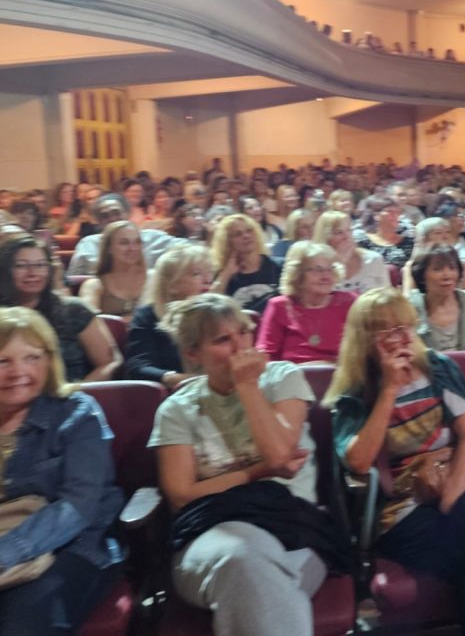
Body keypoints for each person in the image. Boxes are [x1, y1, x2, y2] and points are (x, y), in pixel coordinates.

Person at [327, 287, 465, 636]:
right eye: (387, 331)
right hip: (405, 510)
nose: (401, 338)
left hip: (463, 483)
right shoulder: (357, 391)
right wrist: (387, 390)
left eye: (405, 327)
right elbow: (358, 461)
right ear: (364, 339)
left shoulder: (437, 368)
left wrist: (448, 498)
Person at [149, 293, 333, 636]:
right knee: (242, 557)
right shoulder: (176, 410)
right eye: (223, 339)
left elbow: (279, 452)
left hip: (292, 528)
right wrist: (260, 472)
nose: (240, 347)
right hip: (208, 539)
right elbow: (181, 495)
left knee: (255, 577)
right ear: (193, 353)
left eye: (244, 333)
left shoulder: (282, 377)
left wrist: (247, 386)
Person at [0, 307, 124, 634]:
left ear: (49, 360)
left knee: (23, 624)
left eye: (32, 357)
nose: (18, 372)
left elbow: (78, 506)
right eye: (3, 361)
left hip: (67, 547)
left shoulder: (77, 413)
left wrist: (6, 552)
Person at [0, 236, 121, 382]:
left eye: (40, 265)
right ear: (6, 271)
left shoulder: (74, 310)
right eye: (21, 265)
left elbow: (110, 362)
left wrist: (75, 394)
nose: (32, 273)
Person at [126, 243, 212, 387]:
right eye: (196, 274)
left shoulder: (220, 313)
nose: (207, 279)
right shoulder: (147, 317)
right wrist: (176, 379)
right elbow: (138, 367)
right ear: (172, 286)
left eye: (208, 272)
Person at [256, 242, 356, 364]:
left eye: (330, 269)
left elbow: (362, 352)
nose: (326, 276)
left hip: (340, 378)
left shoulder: (349, 303)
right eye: (317, 270)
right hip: (292, 379)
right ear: (298, 274)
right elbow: (265, 357)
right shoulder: (279, 306)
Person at [407, 245, 465, 351]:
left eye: (452, 268)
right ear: (422, 276)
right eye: (438, 269)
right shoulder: (409, 309)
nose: (447, 275)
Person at [67, 194, 183, 276]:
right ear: (98, 222)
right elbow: (73, 278)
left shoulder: (153, 238)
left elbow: (189, 248)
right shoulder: (89, 244)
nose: (112, 219)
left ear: (127, 214)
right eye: (105, 216)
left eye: (116, 213)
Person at [209, 214, 281, 313]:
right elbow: (209, 307)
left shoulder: (279, 266)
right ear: (227, 242)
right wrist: (226, 274)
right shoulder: (223, 275)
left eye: (249, 230)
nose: (246, 236)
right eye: (238, 234)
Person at [79, 221, 148, 320]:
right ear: (109, 248)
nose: (133, 248)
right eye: (124, 243)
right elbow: (87, 323)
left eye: (137, 242)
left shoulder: (153, 278)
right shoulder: (94, 285)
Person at [312, 211, 390, 294]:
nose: (346, 237)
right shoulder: (317, 267)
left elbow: (387, 297)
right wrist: (339, 264)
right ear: (325, 238)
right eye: (339, 232)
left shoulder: (373, 259)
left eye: (349, 230)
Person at [354, 197, 414, 268]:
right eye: (389, 211)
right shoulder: (362, 241)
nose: (395, 215)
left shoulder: (409, 242)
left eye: (397, 212)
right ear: (376, 215)